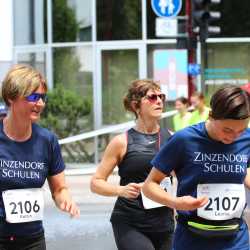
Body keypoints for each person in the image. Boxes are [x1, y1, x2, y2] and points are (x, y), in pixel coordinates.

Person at [142, 85, 250, 250]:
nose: (234, 136)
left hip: (236, 240)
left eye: (241, 130)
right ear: (211, 115)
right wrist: (176, 202)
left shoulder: (247, 140)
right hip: (192, 239)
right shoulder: (184, 140)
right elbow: (149, 185)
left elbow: (243, 170)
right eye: (227, 129)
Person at [0, 64, 80, 250]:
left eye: (43, 98)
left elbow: (59, 189)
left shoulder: (47, 141)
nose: (41, 104)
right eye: (34, 97)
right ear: (12, 97)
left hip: (33, 239)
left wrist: (65, 199)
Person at [90, 79, 174, 250]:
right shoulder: (121, 142)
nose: (159, 101)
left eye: (161, 96)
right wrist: (120, 190)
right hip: (131, 223)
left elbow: (184, 177)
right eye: (152, 97)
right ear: (136, 106)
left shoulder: (173, 138)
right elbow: (96, 183)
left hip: (164, 223)